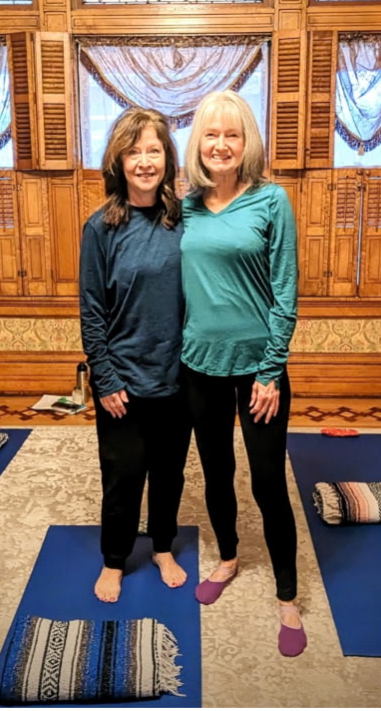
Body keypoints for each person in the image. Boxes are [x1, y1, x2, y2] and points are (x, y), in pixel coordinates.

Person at [178, 90, 304, 657]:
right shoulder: (180, 208)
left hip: (259, 369)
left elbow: (285, 291)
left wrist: (272, 369)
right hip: (198, 366)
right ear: (198, 144)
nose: (221, 145)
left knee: (268, 482)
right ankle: (227, 559)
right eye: (211, 134)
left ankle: (287, 594)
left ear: (246, 141)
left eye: (232, 134)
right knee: (216, 472)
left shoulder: (272, 201)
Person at [78, 108, 190, 603]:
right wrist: (104, 379)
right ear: (118, 160)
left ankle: (163, 545)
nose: (145, 161)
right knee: (124, 475)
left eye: (154, 150)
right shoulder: (100, 228)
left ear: (167, 156)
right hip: (123, 378)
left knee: (170, 471)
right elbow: (91, 310)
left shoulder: (188, 220)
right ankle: (115, 559)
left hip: (179, 375)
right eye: (134, 151)